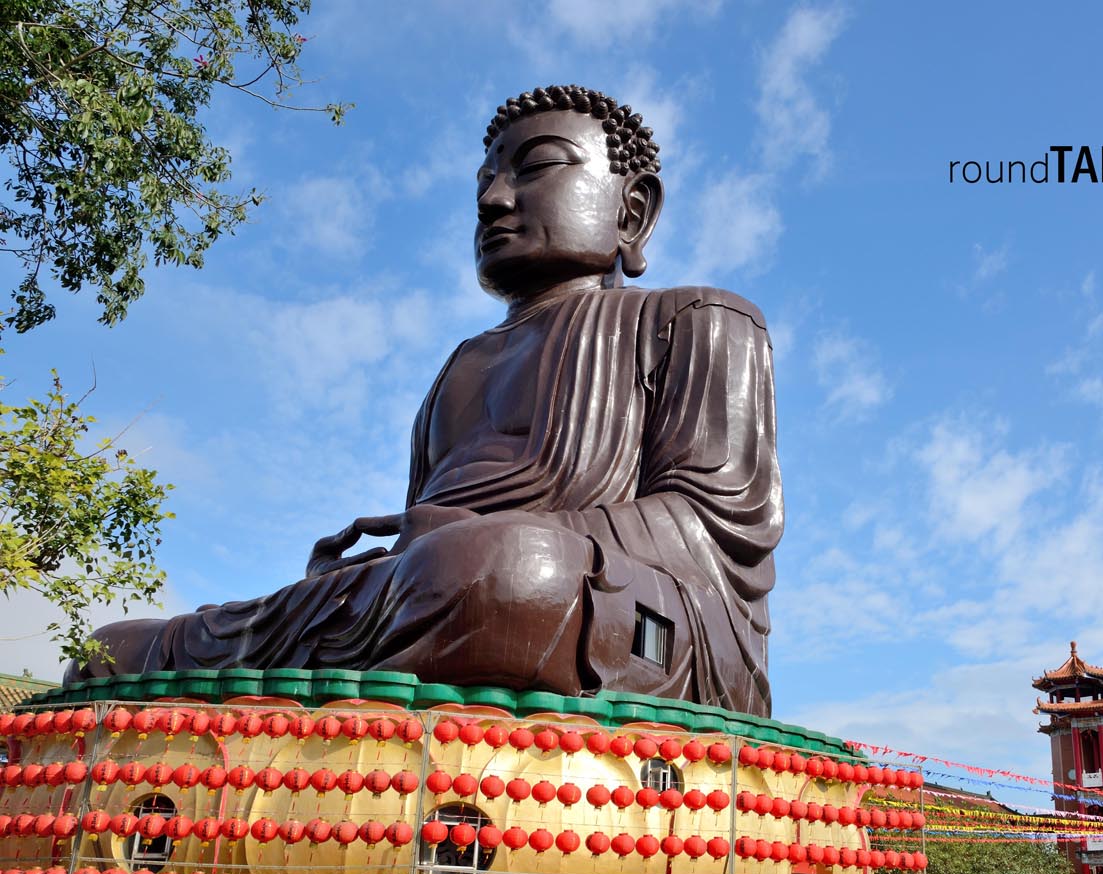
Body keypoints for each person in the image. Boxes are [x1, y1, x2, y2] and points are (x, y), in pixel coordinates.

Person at [66, 85, 783, 716]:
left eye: (534, 167)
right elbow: (423, 553)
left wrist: (468, 540)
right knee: (113, 653)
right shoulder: (460, 366)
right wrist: (374, 570)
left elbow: (713, 528)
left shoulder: (699, 320)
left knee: (502, 570)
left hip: (617, 609)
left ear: (632, 212)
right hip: (442, 591)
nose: (493, 199)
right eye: (486, 181)